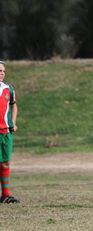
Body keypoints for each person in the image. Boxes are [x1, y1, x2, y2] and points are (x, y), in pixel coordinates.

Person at [0, 61, 19, 204]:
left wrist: (13, 122)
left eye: (3, 71)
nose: (1, 73)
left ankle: (5, 195)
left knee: (5, 163)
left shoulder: (9, 89)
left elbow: (14, 106)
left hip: (6, 132)